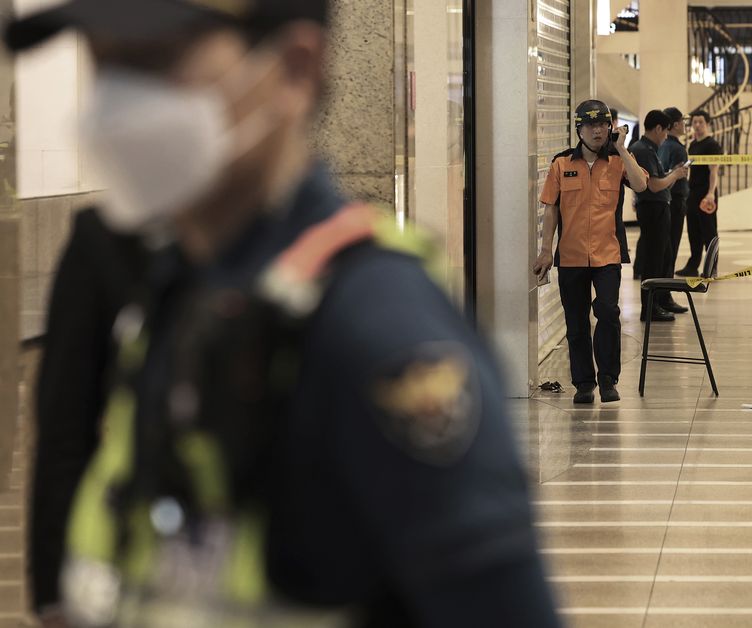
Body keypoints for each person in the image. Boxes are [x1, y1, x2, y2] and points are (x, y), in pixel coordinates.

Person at [6, 1, 561, 626]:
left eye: (155, 62)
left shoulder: (375, 324)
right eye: (103, 68)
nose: (113, 108)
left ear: (294, 70)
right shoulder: (180, 289)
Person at [29, 208, 146, 627]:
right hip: (130, 567)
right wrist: (52, 593)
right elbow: (65, 429)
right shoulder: (109, 241)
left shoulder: (328, 250)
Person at [534, 99, 648, 404]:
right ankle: (584, 383)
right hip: (570, 256)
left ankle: (608, 378)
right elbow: (550, 210)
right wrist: (546, 251)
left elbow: (641, 185)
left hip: (607, 254)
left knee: (608, 312)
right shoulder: (561, 164)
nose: (598, 130)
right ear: (579, 129)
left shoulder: (618, 161)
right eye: (591, 125)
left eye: (603, 124)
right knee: (576, 322)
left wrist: (622, 148)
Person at [628, 109, 688, 321]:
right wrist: (676, 175)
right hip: (652, 209)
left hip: (659, 208)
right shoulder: (642, 149)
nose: (665, 137)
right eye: (665, 132)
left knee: (664, 256)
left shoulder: (649, 148)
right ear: (658, 128)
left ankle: (661, 300)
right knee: (654, 261)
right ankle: (650, 308)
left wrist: (670, 175)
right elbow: (653, 185)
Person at [677, 109, 721, 277]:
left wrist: (711, 193)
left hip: (706, 193)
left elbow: (713, 171)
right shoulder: (694, 144)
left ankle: (712, 268)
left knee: (709, 231)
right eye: (694, 122)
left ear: (708, 124)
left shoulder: (712, 145)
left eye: (701, 122)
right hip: (692, 192)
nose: (697, 125)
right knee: (693, 230)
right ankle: (693, 265)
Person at [658, 107, 690, 308]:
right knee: (671, 249)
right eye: (683, 121)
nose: (685, 125)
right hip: (675, 201)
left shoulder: (661, 145)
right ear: (676, 124)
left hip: (663, 201)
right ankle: (665, 296)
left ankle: (661, 293)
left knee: (664, 250)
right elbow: (674, 177)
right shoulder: (677, 148)